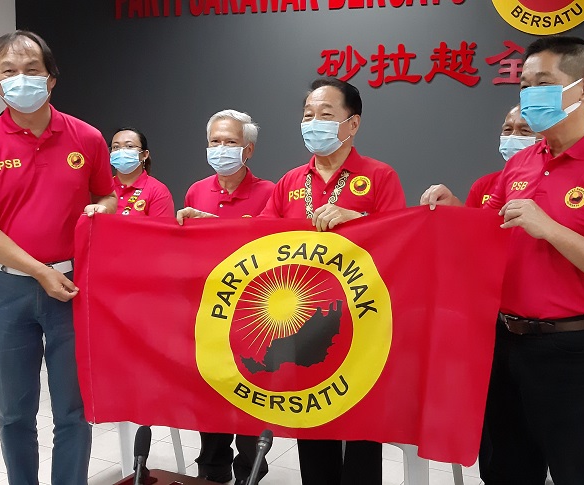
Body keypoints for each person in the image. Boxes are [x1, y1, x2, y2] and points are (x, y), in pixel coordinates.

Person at [423, 36, 584, 485]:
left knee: (575, 473)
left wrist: (551, 229)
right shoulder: (522, 163)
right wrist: (454, 211)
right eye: (525, 85)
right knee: (504, 471)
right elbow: (489, 235)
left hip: (574, 351)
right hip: (506, 341)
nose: (531, 95)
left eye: (544, 83)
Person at [180, 78, 406, 485]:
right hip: (303, 325)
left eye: (325, 115)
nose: (313, 123)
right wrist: (211, 227)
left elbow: (401, 244)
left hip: (362, 325)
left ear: (352, 124)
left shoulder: (379, 176)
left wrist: (360, 221)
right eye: (308, 115)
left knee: (362, 432)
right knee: (312, 423)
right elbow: (256, 243)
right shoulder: (290, 182)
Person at [0, 31, 116, 485]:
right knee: (14, 412)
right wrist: (39, 271)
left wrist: (101, 209)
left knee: (73, 411)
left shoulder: (86, 136)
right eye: (8, 71)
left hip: (73, 288)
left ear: (51, 78)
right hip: (7, 290)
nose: (20, 79)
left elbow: (107, 195)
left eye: (32, 70)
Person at [180, 109, 274, 484]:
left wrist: (217, 227)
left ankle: (251, 471)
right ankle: (211, 470)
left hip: (255, 314)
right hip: (210, 312)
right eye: (215, 141)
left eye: (230, 142)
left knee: (251, 398)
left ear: (248, 149)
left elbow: (272, 250)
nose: (221, 148)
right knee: (211, 396)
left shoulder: (270, 193)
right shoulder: (196, 191)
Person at [464, 104, 539, 208]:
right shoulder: (483, 185)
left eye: (525, 131)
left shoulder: (553, 183)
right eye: (507, 130)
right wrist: (452, 205)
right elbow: (470, 218)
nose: (513, 136)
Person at [110, 127, 174, 217]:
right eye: (116, 147)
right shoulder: (103, 187)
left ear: (144, 155)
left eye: (129, 146)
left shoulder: (157, 190)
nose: (121, 151)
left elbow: (162, 226)